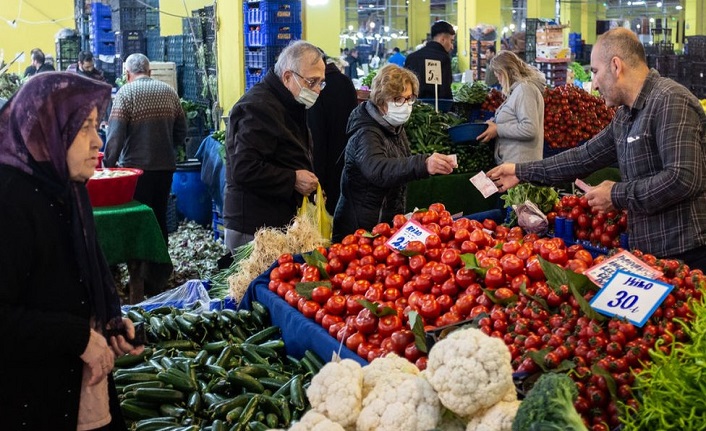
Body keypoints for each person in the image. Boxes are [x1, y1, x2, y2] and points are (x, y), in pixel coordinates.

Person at [487, 28, 706, 270]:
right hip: (649, 253)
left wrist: (616, 195)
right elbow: (583, 156)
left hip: (687, 254)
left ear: (616, 66)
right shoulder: (625, 116)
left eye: (595, 71)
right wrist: (520, 171)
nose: (594, 83)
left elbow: (683, 178)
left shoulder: (670, 101)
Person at [0, 72, 144, 430]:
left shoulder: (69, 189)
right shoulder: (9, 201)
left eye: (97, 126)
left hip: (80, 384)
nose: (98, 141)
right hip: (32, 398)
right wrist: (77, 336)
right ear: (46, 132)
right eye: (84, 128)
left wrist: (107, 322)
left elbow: (76, 279)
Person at [333, 64, 457, 241]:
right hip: (360, 228)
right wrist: (423, 163)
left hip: (383, 222)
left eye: (409, 98)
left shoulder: (395, 127)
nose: (405, 105)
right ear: (381, 100)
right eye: (398, 99)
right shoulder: (366, 132)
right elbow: (378, 169)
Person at [223, 40, 323, 252]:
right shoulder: (259, 107)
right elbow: (244, 168)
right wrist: (293, 179)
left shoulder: (289, 102)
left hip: (276, 222)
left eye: (321, 83)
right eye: (312, 82)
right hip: (253, 227)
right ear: (288, 77)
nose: (317, 90)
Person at [104, 53, 187, 245]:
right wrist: (167, 146)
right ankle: (161, 266)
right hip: (165, 168)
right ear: (149, 71)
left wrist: (108, 165)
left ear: (127, 74)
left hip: (135, 171)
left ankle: (141, 267)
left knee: (139, 219)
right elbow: (182, 131)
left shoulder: (126, 93)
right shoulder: (169, 92)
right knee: (159, 216)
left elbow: (115, 136)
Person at [308, 51, 358, 215]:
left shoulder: (315, 89)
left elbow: (317, 136)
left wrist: (317, 179)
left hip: (323, 165)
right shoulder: (345, 81)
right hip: (345, 161)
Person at [477, 50, 545, 164]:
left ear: (505, 72)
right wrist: (494, 123)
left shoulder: (524, 90)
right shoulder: (517, 91)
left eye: (498, 74)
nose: (498, 79)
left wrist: (498, 129)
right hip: (514, 166)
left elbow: (529, 129)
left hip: (521, 167)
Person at [404, 20, 456, 99]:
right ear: (443, 40)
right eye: (451, 41)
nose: (452, 46)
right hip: (435, 106)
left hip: (412, 105)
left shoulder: (411, 57)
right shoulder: (443, 58)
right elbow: (445, 90)